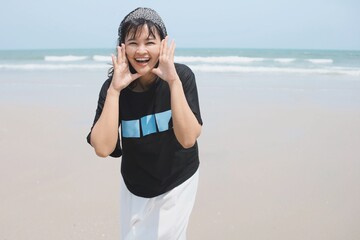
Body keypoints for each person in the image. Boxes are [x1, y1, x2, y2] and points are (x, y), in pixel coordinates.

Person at [86, 7, 203, 240]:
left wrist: (173, 81)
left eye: (150, 42)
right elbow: (102, 148)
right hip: (135, 185)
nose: (141, 51)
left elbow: (188, 138)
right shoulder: (113, 88)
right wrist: (115, 91)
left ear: (163, 45)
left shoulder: (182, 77)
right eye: (132, 43)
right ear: (122, 48)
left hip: (177, 179)